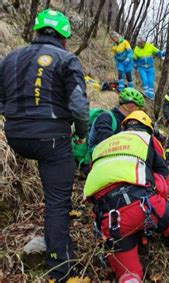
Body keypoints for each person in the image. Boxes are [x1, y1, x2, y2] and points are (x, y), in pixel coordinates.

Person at [0, 9, 89, 282]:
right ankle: (59, 268)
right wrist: (81, 133)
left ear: (36, 32)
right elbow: (79, 107)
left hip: (15, 137)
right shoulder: (67, 59)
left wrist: (13, 119)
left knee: (54, 196)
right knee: (57, 205)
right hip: (52, 140)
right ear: (64, 38)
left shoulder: (9, 58)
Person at [84, 111, 169, 282]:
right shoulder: (146, 139)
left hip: (110, 219)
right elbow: (162, 184)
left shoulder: (101, 147)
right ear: (150, 128)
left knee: (129, 274)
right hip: (142, 205)